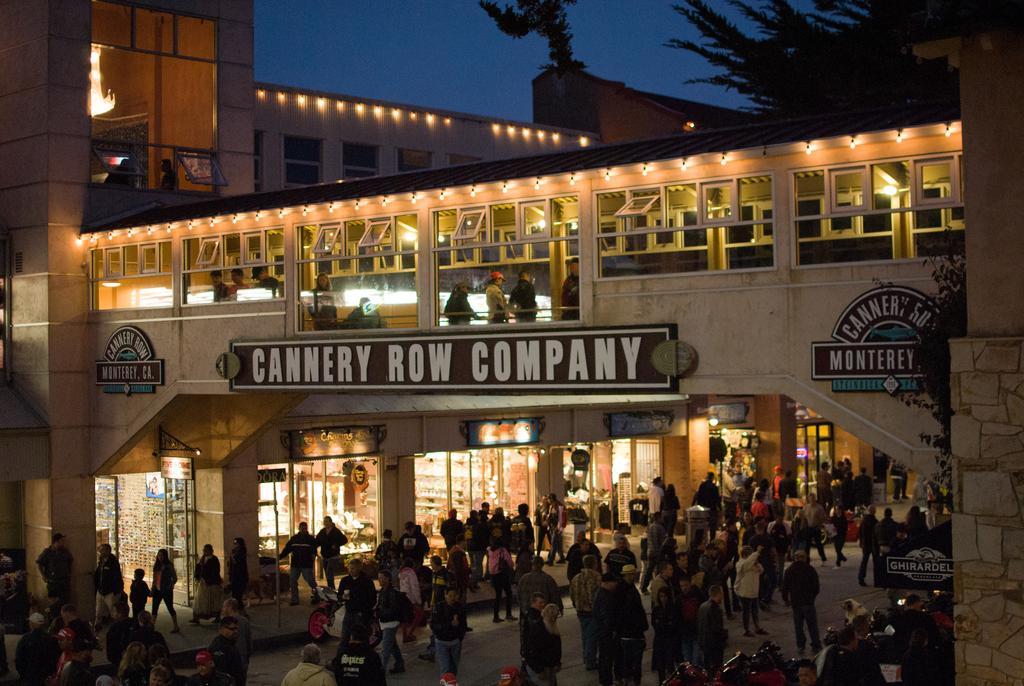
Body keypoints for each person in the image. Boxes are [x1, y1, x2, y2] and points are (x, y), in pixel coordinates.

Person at [781, 550, 822, 654]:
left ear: (795, 558)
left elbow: (785, 587)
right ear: (804, 557)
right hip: (808, 602)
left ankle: (800, 645)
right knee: (812, 625)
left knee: (798, 626)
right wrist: (812, 597)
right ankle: (816, 645)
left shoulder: (789, 570)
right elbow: (816, 587)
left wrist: (786, 599)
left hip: (796, 602)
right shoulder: (810, 569)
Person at [565, 553, 600, 671]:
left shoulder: (576, 578)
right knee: (592, 637)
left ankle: (586, 657)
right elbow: (597, 596)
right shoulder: (596, 577)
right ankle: (590, 660)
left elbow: (572, 594)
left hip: (580, 611)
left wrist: (576, 604)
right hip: (591, 611)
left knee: (585, 635)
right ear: (594, 564)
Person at [616, 565, 647, 684]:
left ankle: (630, 679)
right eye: (631, 574)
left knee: (629, 660)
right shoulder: (626, 590)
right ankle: (632, 680)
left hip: (628, 632)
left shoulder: (626, 588)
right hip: (631, 632)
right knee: (632, 660)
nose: (633, 576)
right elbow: (634, 611)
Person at [335, 558, 376, 649]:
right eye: (349, 568)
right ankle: (341, 658)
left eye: (353, 568)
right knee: (344, 637)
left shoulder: (366, 581)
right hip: (349, 612)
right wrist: (342, 597)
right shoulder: (345, 580)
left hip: (361, 613)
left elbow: (372, 599)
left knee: (361, 638)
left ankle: (363, 657)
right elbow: (339, 595)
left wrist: (364, 610)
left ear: (359, 568)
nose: (350, 570)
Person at [374, 569, 406, 675]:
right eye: (379, 577)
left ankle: (381, 669)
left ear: (387, 579)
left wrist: (379, 614)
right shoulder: (383, 591)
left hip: (390, 622)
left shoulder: (391, 592)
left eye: (381, 577)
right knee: (392, 645)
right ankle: (399, 664)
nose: (379, 580)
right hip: (386, 622)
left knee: (386, 647)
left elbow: (393, 609)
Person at [14, 612, 59, 686]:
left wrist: (23, 674)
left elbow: (19, 658)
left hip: (29, 676)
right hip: (46, 677)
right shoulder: (50, 639)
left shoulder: (25, 639)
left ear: (32, 624)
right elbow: (54, 658)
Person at [430, 589, 467, 677]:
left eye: (454, 595)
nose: (452, 598)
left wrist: (459, 637)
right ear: (445, 595)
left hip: (455, 641)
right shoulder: (438, 608)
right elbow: (434, 625)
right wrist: (450, 624)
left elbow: (463, 625)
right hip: (441, 641)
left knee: (454, 667)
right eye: (450, 596)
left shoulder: (460, 607)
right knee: (445, 667)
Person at [280, 522, 318, 605]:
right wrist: (280, 557)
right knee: (292, 581)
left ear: (306, 528)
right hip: (295, 564)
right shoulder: (294, 539)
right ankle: (295, 600)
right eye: (302, 528)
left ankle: (317, 595)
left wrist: (312, 559)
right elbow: (287, 549)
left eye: (305, 528)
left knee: (311, 581)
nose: (303, 529)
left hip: (306, 564)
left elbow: (314, 551)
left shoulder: (311, 539)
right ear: (299, 528)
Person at [525, 600, 562, 685]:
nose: (554, 619)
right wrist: (539, 670)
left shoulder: (551, 628)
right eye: (553, 617)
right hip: (542, 666)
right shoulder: (538, 630)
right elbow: (531, 651)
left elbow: (556, 647)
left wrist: (557, 662)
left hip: (549, 665)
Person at [36, 533, 73, 616]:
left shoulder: (65, 551)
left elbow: (70, 561)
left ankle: (57, 614)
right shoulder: (47, 552)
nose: (63, 543)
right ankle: (52, 616)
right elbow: (39, 563)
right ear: (55, 542)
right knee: (54, 601)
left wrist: (69, 573)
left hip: (64, 581)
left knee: (65, 601)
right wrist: (43, 575)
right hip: (53, 581)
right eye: (61, 541)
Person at [735, 546, 767, 637]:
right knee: (746, 612)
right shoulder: (741, 564)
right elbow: (747, 564)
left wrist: (757, 564)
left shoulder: (753, 564)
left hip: (754, 592)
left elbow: (761, 570)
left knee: (755, 611)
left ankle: (757, 627)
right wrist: (756, 552)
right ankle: (746, 629)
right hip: (744, 592)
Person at [651, 585, 681, 682]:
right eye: (661, 596)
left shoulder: (673, 609)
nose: (663, 599)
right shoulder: (657, 610)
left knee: (670, 665)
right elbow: (654, 624)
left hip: (670, 640)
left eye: (664, 596)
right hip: (660, 640)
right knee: (661, 666)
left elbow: (674, 625)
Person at [208, 616, 245, 686]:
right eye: (232, 629)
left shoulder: (230, 644)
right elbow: (221, 673)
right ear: (221, 629)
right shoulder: (219, 647)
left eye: (236, 629)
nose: (235, 631)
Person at [698, 585, 728, 671]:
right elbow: (716, 629)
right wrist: (724, 636)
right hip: (714, 645)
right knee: (716, 669)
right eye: (721, 594)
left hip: (704, 643)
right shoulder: (715, 609)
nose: (722, 596)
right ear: (718, 594)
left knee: (707, 668)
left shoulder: (702, 606)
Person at [487, 535, 516, 623]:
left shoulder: (489, 550)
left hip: (494, 575)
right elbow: (510, 563)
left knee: (498, 595)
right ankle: (508, 614)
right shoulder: (502, 550)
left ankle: (496, 616)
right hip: (502, 574)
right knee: (508, 593)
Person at [677, 574, 705, 666]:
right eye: (681, 586)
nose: (683, 588)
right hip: (685, 632)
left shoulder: (697, 595)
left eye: (685, 585)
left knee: (696, 658)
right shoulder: (679, 599)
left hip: (696, 631)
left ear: (690, 584)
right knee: (688, 659)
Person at [191, 544, 223, 624]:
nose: (204, 551)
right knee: (199, 600)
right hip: (203, 582)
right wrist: (197, 577)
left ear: (210, 550)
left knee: (214, 601)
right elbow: (198, 568)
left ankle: (217, 617)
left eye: (206, 550)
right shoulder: (202, 559)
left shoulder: (214, 559)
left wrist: (209, 580)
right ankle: (196, 617)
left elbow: (215, 571)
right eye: (204, 550)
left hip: (212, 583)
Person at [93, 543, 123, 627]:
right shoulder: (101, 561)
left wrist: (115, 591)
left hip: (110, 592)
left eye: (102, 550)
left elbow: (116, 577)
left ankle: (117, 627)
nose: (100, 551)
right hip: (100, 591)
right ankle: (97, 626)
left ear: (108, 551)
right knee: (98, 611)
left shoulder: (113, 562)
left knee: (113, 611)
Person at [220, 598, 251, 679]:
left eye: (224, 607)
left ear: (229, 607)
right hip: (242, 656)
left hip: (231, 657)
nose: (223, 609)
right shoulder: (245, 621)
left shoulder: (224, 623)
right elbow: (249, 641)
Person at [150, 550, 180, 633]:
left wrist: (170, 586)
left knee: (170, 607)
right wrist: (153, 588)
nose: (160, 557)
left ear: (165, 556)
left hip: (166, 590)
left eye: (162, 555)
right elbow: (155, 578)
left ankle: (176, 626)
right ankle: (151, 627)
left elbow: (174, 578)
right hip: (157, 589)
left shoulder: (169, 566)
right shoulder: (156, 565)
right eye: (159, 555)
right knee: (154, 609)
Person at [315, 517, 348, 590]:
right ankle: (331, 588)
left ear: (330, 522)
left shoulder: (336, 531)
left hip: (333, 556)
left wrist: (336, 545)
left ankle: (331, 588)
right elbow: (317, 541)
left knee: (329, 572)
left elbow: (344, 540)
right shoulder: (322, 531)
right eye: (324, 521)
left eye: (327, 521)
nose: (325, 523)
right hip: (324, 556)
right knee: (327, 574)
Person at [640, 511, 667, 593]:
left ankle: (646, 587)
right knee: (654, 570)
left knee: (650, 570)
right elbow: (655, 541)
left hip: (653, 552)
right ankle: (649, 587)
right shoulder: (656, 527)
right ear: (658, 518)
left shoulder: (652, 526)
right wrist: (658, 552)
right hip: (656, 552)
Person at [398, 557, 423, 644]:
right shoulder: (411, 573)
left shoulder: (401, 573)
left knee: (405, 617)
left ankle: (405, 635)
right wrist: (418, 600)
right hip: (411, 598)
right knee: (419, 615)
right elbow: (414, 587)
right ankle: (409, 634)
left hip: (403, 596)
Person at [800, 494, 828, 564]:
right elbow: (803, 517)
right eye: (810, 499)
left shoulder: (819, 508)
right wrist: (802, 526)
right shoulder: (806, 507)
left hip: (816, 528)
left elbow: (823, 518)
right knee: (807, 545)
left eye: (813, 498)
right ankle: (807, 560)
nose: (811, 500)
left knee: (819, 544)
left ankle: (823, 558)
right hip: (808, 528)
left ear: (815, 499)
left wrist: (819, 526)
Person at [105, 603, 133, 669]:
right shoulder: (135, 623)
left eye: (113, 611)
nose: (112, 613)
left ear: (119, 614)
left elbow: (111, 646)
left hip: (119, 659)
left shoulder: (114, 629)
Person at [857, 505, 878, 586]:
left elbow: (860, 532)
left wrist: (861, 542)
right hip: (873, 544)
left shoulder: (864, 520)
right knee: (876, 562)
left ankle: (861, 578)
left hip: (866, 544)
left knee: (864, 561)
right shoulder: (875, 521)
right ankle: (877, 579)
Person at [545, 494, 567, 564]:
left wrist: (558, 528)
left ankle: (551, 559)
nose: (547, 500)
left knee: (554, 542)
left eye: (548, 499)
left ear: (551, 499)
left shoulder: (560, 506)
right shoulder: (551, 506)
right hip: (552, 526)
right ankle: (562, 558)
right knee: (558, 543)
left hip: (557, 527)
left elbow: (561, 518)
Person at [227, 538, 248, 608]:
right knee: (235, 594)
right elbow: (231, 563)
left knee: (238, 595)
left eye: (237, 543)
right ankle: (237, 609)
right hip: (234, 575)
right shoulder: (234, 551)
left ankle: (240, 610)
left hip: (240, 575)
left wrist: (232, 557)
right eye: (235, 543)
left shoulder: (242, 550)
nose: (235, 545)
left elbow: (237, 561)